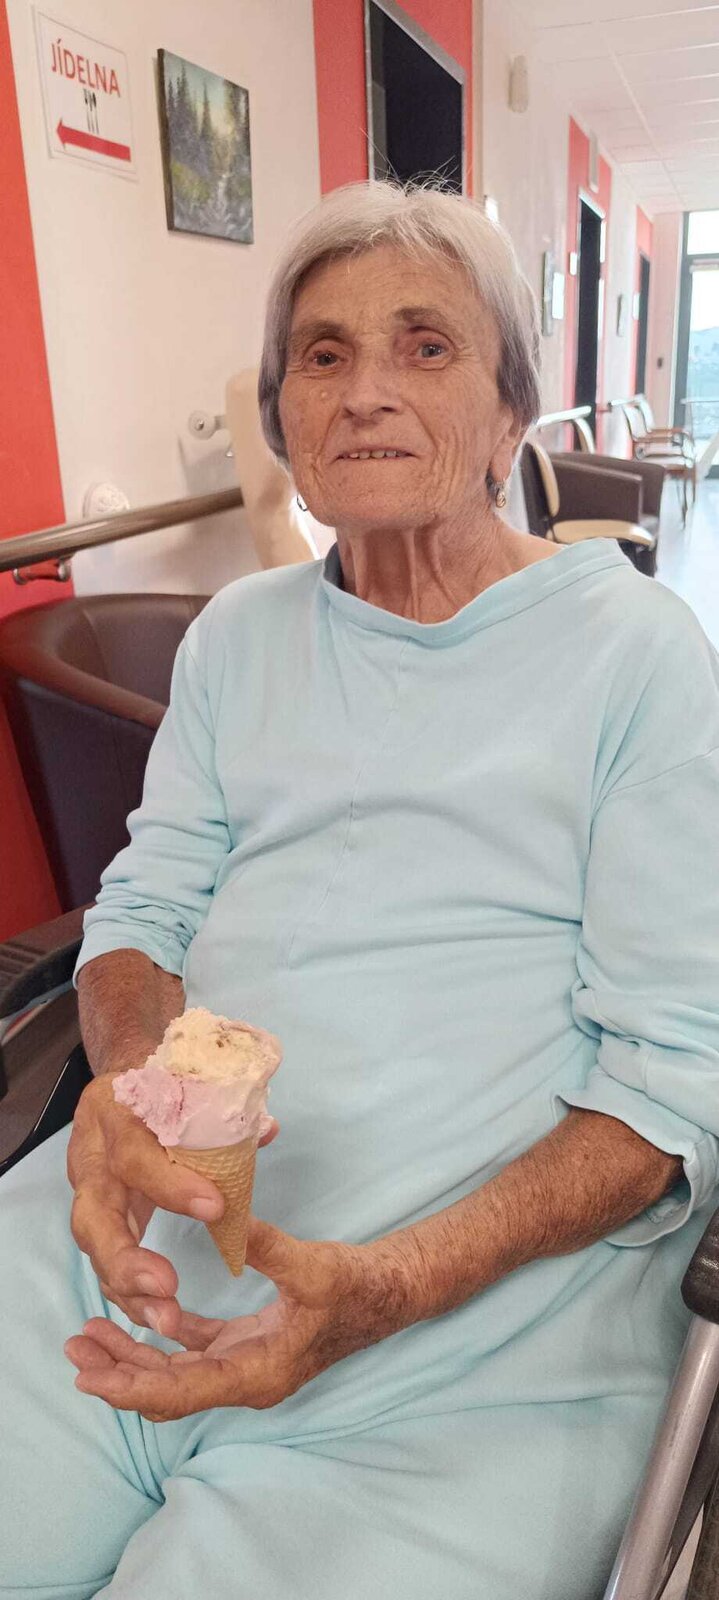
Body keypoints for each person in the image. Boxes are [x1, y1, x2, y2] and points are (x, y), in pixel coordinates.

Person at [2, 181, 718, 1600]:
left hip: (477, 1343)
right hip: (134, 1250)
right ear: (284, 423)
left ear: (513, 414)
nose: (366, 390)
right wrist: (131, 1091)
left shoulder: (636, 655)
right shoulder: (238, 637)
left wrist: (391, 1290)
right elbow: (142, 911)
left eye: (426, 346)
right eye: (322, 355)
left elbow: (669, 1083)